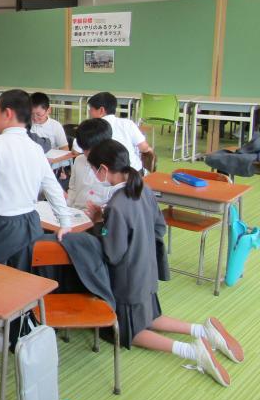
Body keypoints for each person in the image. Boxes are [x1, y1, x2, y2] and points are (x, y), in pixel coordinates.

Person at [81, 140, 243, 386]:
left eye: (94, 170)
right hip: (147, 269)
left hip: (127, 279)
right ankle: (202, 330)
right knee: (149, 316)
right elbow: (158, 227)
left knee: (128, 331)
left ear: (103, 169)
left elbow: (113, 253)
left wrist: (98, 222)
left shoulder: (116, 205)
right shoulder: (142, 188)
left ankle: (193, 351)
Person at [0, 89, 73, 359]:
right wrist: (65, 220)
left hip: (0, 225)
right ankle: (14, 333)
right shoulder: (35, 147)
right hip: (30, 224)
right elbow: (52, 186)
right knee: (19, 283)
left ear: (8, 113)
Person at [83, 92, 152, 172]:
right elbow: (144, 147)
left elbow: (78, 150)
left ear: (101, 110)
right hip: (134, 171)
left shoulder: (92, 128)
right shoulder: (128, 123)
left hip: (109, 174)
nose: (89, 112)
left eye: (91, 109)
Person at [67, 118, 113, 210]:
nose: (87, 153)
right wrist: (68, 205)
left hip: (101, 214)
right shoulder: (79, 160)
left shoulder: (114, 166)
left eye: (91, 149)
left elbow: (116, 199)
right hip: (77, 211)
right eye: (84, 148)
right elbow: (73, 188)